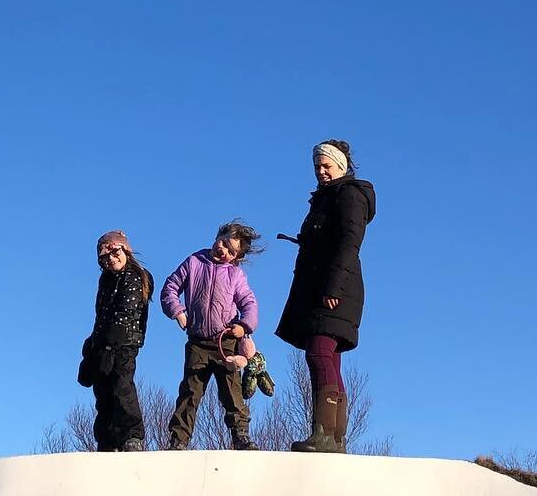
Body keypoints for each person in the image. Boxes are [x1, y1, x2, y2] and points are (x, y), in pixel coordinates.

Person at [275, 140, 377, 454]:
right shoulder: (325, 198)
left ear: (342, 165)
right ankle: (334, 438)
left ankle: (325, 435)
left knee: (319, 352)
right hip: (320, 286)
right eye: (317, 166)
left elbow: (349, 244)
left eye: (326, 166)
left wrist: (333, 288)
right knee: (327, 356)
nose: (321, 171)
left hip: (335, 289)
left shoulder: (349, 195)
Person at [160, 221, 263, 450]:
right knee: (190, 391)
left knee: (231, 391)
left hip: (224, 341)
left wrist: (244, 326)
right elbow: (170, 287)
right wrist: (177, 311)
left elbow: (248, 302)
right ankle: (179, 439)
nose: (223, 250)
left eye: (231, 251)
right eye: (223, 242)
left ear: (236, 257)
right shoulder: (194, 262)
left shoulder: (235, 275)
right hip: (197, 341)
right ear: (218, 235)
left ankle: (240, 435)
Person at [80, 230, 152, 452]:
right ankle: (107, 439)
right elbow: (101, 315)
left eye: (115, 253)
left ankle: (132, 435)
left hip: (124, 343)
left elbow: (125, 311)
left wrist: (110, 343)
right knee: (103, 392)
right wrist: (91, 347)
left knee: (122, 387)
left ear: (126, 251)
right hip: (103, 344)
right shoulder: (106, 280)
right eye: (105, 258)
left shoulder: (134, 275)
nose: (111, 260)